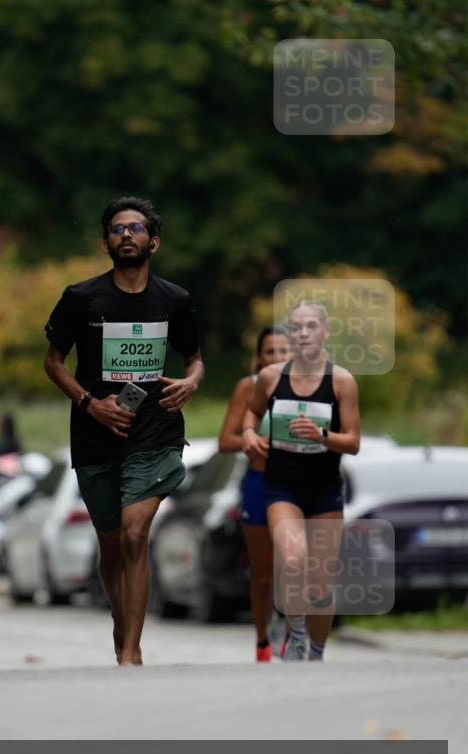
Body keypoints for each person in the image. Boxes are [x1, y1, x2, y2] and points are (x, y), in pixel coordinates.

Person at [44, 196, 204, 666]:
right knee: (111, 545)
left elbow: (194, 360)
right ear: (106, 242)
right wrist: (91, 404)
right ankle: (122, 630)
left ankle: (131, 654)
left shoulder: (174, 300)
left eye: (136, 228)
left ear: (154, 241)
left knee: (136, 536)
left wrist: (191, 382)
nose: (126, 235)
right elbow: (53, 363)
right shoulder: (81, 298)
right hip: (96, 432)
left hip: (154, 430)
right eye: (117, 229)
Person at [242, 301, 360, 662]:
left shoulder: (341, 381)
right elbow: (253, 410)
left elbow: (353, 442)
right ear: (290, 336)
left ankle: (317, 654)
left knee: (321, 585)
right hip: (282, 487)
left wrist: (321, 435)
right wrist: (248, 433)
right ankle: (295, 635)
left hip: (324, 490)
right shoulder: (271, 377)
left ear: (325, 332)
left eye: (311, 326)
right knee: (292, 561)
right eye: (296, 327)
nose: (304, 333)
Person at [218, 326, 291, 662]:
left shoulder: (309, 388)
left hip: (297, 485)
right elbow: (226, 440)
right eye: (270, 352)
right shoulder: (248, 387)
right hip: (259, 483)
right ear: (258, 356)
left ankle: (293, 637)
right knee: (263, 575)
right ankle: (262, 640)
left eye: (283, 351)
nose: (276, 358)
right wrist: (254, 442)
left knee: (294, 565)